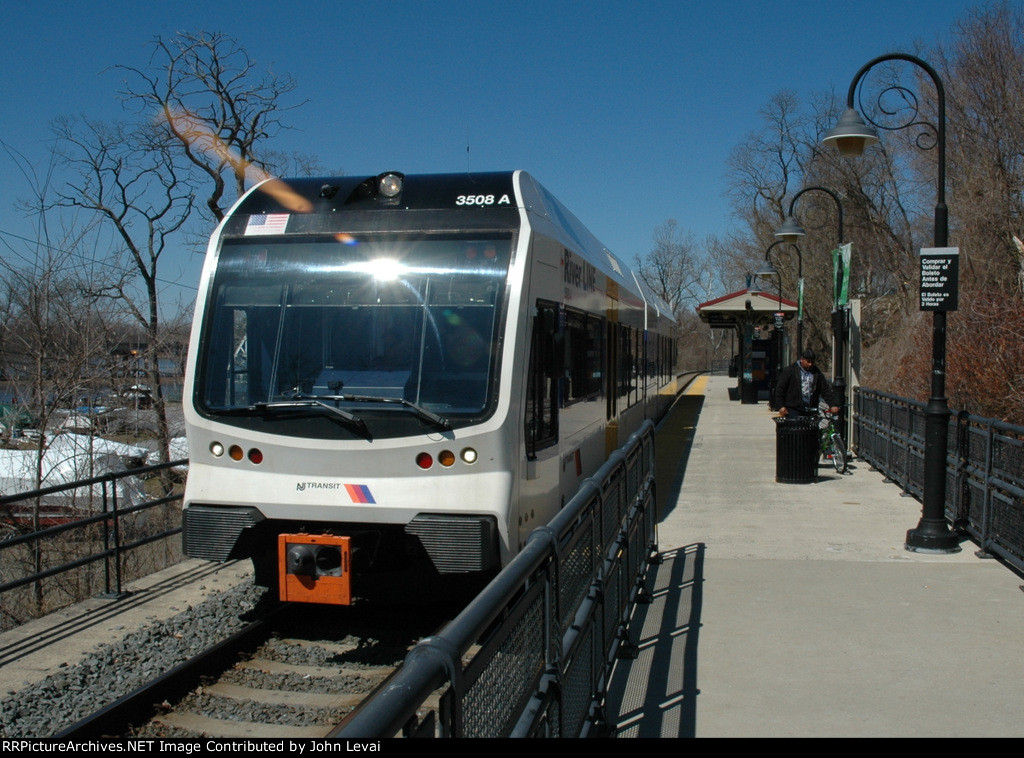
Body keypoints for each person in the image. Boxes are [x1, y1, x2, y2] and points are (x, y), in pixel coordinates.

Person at [774, 349, 839, 418]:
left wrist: (832, 405)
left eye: (812, 362)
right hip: (794, 409)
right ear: (801, 360)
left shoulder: (816, 373)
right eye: (808, 362)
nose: (810, 364)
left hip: (811, 409)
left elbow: (825, 390)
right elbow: (780, 389)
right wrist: (781, 406)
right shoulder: (790, 371)